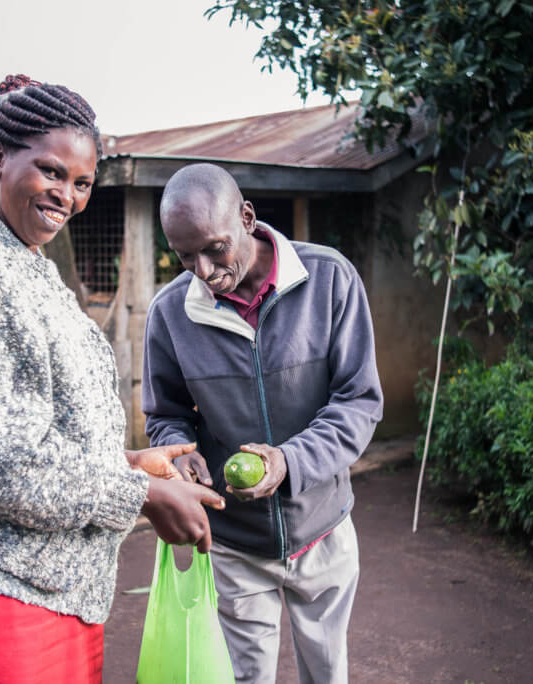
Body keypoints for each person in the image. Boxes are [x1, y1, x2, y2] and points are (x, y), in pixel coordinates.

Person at [0, 76, 224, 684]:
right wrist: (137, 495)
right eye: (52, 172)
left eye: (83, 182)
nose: (67, 195)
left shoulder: (25, 263)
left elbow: (30, 424)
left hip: (44, 578)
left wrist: (126, 463)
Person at [142, 163, 384, 683]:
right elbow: (165, 415)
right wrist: (181, 452)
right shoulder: (169, 313)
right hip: (233, 542)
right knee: (246, 678)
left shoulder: (328, 279)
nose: (203, 271)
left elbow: (358, 401)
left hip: (323, 526)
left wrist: (290, 460)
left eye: (214, 248)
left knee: (327, 673)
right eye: (185, 256)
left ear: (246, 217)